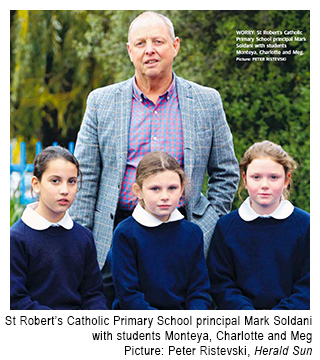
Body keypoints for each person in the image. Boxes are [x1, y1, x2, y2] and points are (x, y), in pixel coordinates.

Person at [69, 11, 239, 276]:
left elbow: (226, 171)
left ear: (175, 46)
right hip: (114, 233)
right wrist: (81, 237)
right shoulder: (101, 102)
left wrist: (210, 223)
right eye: (140, 43)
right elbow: (85, 176)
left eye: (158, 42)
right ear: (129, 51)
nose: (149, 50)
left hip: (183, 229)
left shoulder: (207, 101)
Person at [207, 140, 310, 310]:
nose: (264, 185)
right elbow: (221, 283)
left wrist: (279, 317)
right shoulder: (226, 227)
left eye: (273, 177)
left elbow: (309, 284)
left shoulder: (306, 226)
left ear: (286, 179)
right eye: (256, 177)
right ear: (245, 179)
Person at [107, 151, 211, 309]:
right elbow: (129, 296)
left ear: (182, 189)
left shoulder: (193, 233)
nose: (165, 196)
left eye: (172, 188)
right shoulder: (125, 233)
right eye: (155, 189)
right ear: (138, 191)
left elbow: (198, 290)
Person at [10, 146, 107, 310]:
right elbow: (15, 300)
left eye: (72, 181)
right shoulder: (15, 239)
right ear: (36, 184)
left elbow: (93, 294)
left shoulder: (84, 237)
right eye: (55, 181)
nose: (65, 190)